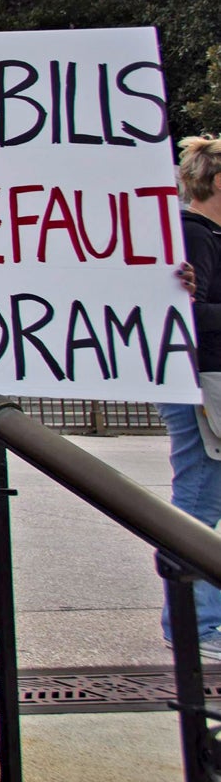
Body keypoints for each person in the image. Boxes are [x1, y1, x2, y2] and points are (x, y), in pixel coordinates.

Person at [160, 136, 221, 657]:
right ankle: (194, 627)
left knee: (205, 495)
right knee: (200, 498)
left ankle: (200, 622)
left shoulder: (200, 234)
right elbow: (186, 315)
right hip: (201, 381)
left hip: (204, 380)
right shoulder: (195, 234)